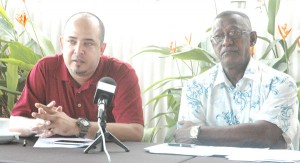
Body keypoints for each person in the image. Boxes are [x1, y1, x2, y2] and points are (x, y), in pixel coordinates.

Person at [9, 12, 144, 142]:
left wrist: (77, 126)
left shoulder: (121, 73)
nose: (78, 50)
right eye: (72, 42)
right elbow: (14, 122)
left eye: (88, 43)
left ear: (101, 49)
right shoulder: (45, 69)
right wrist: (42, 124)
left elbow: (135, 131)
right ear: (62, 43)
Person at [175, 10, 299, 150]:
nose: (226, 42)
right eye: (219, 36)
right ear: (213, 43)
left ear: (252, 38)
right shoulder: (195, 87)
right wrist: (255, 137)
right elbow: (186, 139)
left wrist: (197, 132)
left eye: (235, 33)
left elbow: (267, 135)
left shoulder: (280, 83)